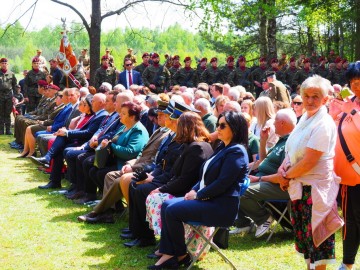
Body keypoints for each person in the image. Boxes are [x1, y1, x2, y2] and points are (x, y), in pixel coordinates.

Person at [147, 111, 249, 269]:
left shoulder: (237, 152)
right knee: (167, 204)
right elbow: (204, 176)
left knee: (172, 211)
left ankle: (179, 255)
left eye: (223, 125)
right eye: (217, 125)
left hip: (220, 207)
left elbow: (223, 183)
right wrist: (193, 190)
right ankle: (170, 252)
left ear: (235, 129)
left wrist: (198, 195)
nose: (218, 128)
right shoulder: (223, 147)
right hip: (209, 200)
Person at [278, 76, 343, 270]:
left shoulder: (323, 123)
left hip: (315, 191)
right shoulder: (305, 118)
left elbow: (309, 161)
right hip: (301, 187)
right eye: (306, 95)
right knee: (308, 246)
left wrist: (286, 176)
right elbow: (292, 149)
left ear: (325, 99)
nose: (310, 100)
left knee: (318, 244)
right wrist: (284, 169)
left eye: (316, 96)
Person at [231, 109, 296, 236]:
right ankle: (243, 223)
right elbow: (262, 161)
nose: (272, 124)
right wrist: (263, 140)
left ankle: (263, 219)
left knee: (239, 190)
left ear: (282, 123)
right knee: (233, 185)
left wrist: (259, 179)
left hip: (278, 186)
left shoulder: (291, 142)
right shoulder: (282, 140)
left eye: (275, 121)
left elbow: (283, 176)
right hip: (266, 181)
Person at [76, 101, 149, 204]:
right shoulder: (124, 126)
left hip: (126, 164)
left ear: (132, 117)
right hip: (115, 159)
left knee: (101, 173)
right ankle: (108, 201)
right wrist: (106, 143)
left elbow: (130, 152)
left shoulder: (138, 130)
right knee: (93, 170)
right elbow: (113, 139)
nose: (120, 115)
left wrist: (111, 146)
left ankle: (112, 204)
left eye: (123, 113)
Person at [329, 61, 360, 270]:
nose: (356, 86)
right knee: (350, 223)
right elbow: (332, 127)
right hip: (346, 177)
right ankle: (347, 263)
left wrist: (352, 112)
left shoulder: (352, 107)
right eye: (352, 82)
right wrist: (334, 109)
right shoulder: (349, 101)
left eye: (359, 82)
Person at [0, 58, 17, 135]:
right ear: (0, 64)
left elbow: (15, 86)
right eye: (2, 63)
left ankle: (8, 129)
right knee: (0, 113)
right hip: (0, 95)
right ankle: (1, 129)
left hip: (9, 96)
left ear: (8, 64)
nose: (4, 64)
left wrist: (15, 96)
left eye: (5, 63)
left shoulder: (12, 74)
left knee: (8, 112)